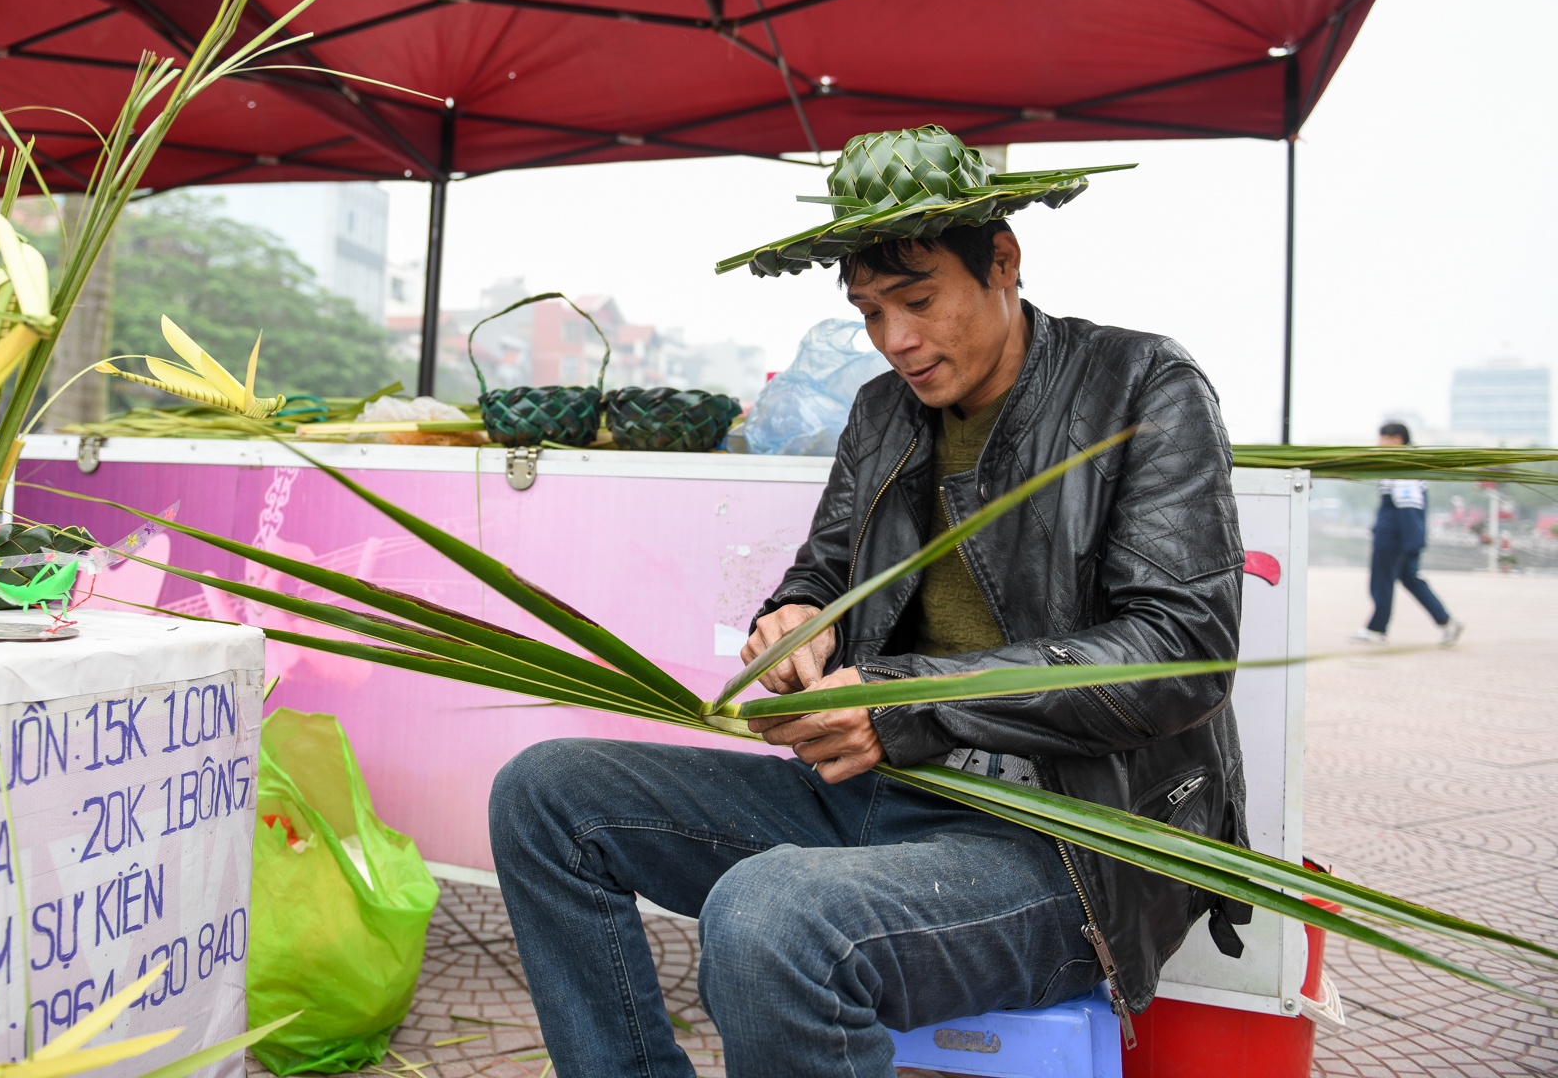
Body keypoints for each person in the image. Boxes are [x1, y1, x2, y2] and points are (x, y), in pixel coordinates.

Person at [490, 128, 1251, 1078]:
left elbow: (1180, 649)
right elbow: (823, 578)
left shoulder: (1142, 387)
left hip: (1066, 846)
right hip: (888, 801)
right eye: (871, 311)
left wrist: (907, 705)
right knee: (546, 795)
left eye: (920, 301)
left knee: (769, 918)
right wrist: (792, 629)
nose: (897, 342)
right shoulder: (884, 412)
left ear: (1003, 261)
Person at [1350, 421, 1463, 645]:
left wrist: (1409, 542)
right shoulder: (1405, 466)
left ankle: (1376, 629)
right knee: (1411, 580)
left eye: (1382, 439)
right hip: (1404, 538)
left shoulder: (1402, 468)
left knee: (1381, 582)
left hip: (1393, 539)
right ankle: (1447, 622)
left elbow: (1408, 507)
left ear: (1397, 440)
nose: (1378, 444)